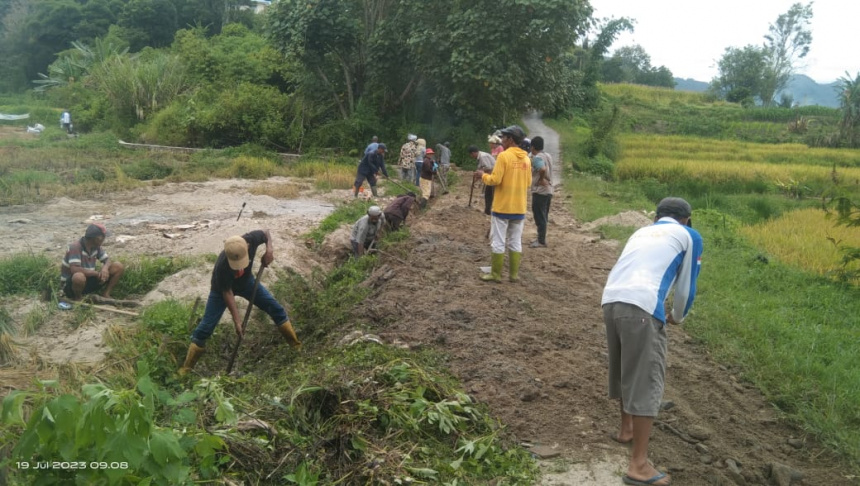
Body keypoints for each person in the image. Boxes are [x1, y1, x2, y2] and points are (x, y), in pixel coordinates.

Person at [601, 197, 703, 486]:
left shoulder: (640, 232)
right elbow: (686, 287)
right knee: (646, 379)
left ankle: (626, 430)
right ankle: (639, 465)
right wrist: (677, 316)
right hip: (643, 307)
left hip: (611, 300)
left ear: (657, 217)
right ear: (687, 219)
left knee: (624, 369)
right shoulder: (689, 235)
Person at [179, 230, 301, 376]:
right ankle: (185, 369)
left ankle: (296, 347)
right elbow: (227, 293)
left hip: (246, 283)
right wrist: (237, 321)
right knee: (205, 328)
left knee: (275, 308)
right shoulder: (222, 266)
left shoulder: (253, 239)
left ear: (248, 246)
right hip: (221, 291)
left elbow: (266, 233)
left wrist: (269, 250)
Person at [474, 125, 531, 283]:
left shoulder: (504, 157)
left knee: (498, 241)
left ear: (510, 140)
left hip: (503, 206)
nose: (501, 141)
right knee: (515, 241)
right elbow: (528, 183)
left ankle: (496, 274)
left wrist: (483, 176)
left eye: (504, 138)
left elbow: (495, 180)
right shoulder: (526, 159)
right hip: (519, 208)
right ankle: (513, 275)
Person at [61, 223, 125, 300]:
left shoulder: (96, 247)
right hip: (71, 285)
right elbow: (75, 269)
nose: (104, 239)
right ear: (97, 238)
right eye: (103, 237)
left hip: (88, 280)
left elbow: (107, 260)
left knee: (118, 266)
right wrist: (96, 274)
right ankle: (78, 298)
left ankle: (106, 294)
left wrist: (104, 269)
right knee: (79, 276)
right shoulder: (76, 247)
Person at [529, 136, 554, 248]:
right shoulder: (547, 155)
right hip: (549, 190)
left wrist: (540, 179)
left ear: (533, 146)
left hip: (540, 191)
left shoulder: (537, 158)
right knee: (544, 215)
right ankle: (541, 238)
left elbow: (542, 169)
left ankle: (541, 241)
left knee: (539, 216)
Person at [468, 145, 496, 216]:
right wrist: (475, 179)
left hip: (493, 177)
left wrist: (479, 173)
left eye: (471, 155)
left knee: (489, 194)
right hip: (490, 177)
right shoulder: (480, 157)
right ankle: (488, 211)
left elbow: (488, 167)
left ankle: (489, 211)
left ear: (473, 153)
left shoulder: (483, 157)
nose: (472, 157)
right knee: (488, 194)